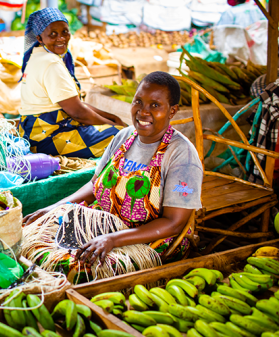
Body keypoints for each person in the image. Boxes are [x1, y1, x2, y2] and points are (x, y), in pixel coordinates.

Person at [23, 71, 203, 263]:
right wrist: (56, 207)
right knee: (33, 242)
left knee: (75, 266)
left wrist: (112, 239)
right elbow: (95, 185)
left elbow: (174, 223)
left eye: (155, 105)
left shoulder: (181, 154)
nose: (143, 111)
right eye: (138, 102)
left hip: (151, 241)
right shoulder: (124, 137)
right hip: (105, 226)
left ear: (172, 111)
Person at [19, 8, 125, 158]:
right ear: (40, 39)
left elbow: (74, 103)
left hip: (35, 132)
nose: (61, 38)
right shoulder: (51, 63)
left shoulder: (38, 57)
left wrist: (111, 118)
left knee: (116, 129)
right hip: (47, 137)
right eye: (53, 34)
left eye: (65, 32)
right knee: (124, 137)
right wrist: (114, 125)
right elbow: (78, 112)